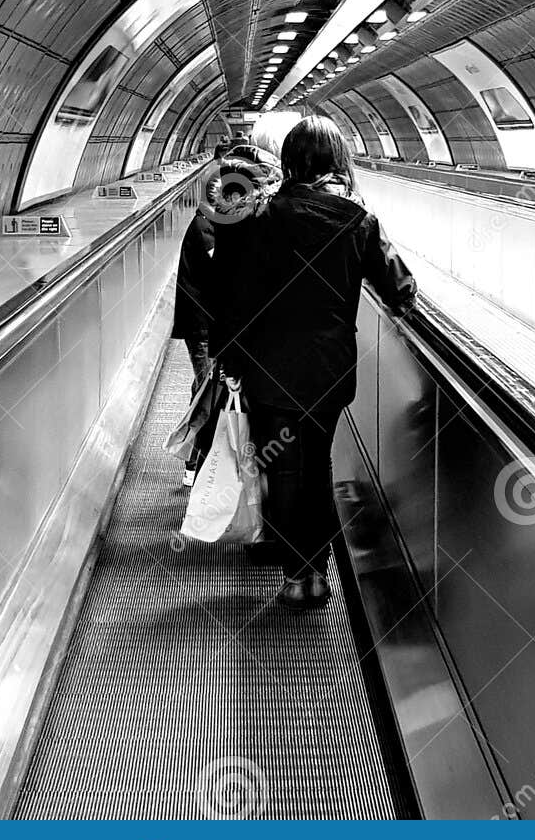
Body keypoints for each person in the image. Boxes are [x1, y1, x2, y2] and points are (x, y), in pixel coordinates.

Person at [210, 114, 416, 610]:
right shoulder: (357, 220)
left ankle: (295, 574)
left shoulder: (256, 216)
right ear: (337, 161)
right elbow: (402, 291)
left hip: (266, 367)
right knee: (319, 466)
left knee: (281, 468)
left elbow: (226, 293)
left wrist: (228, 358)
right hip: (327, 371)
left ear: (289, 162)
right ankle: (318, 574)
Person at [171, 151, 281, 485]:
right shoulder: (210, 223)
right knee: (210, 391)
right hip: (203, 324)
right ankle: (196, 462)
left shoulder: (219, 219)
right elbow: (226, 275)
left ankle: (201, 460)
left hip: (210, 324)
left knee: (209, 388)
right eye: (249, 195)